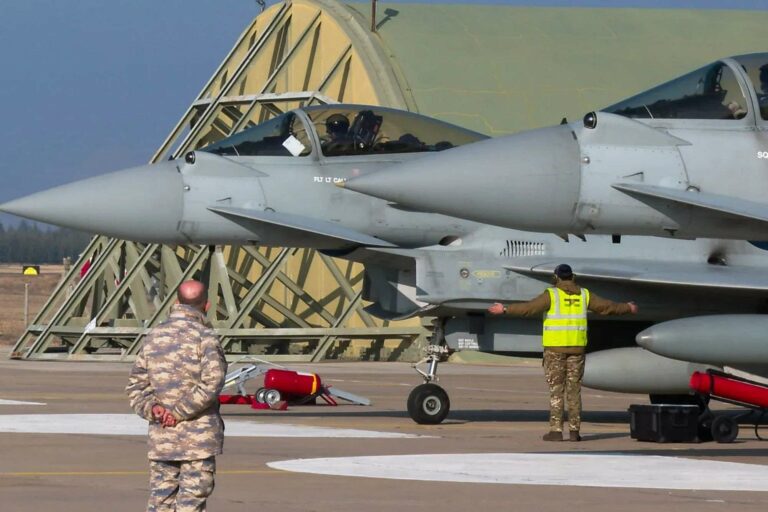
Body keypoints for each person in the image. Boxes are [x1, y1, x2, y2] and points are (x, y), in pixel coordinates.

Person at [487, 264, 638, 442]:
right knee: (574, 392)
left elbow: (528, 308)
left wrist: (504, 309)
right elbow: (607, 307)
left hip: (554, 351)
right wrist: (628, 308)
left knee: (556, 392)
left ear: (556, 277)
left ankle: (556, 432)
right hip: (577, 350)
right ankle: (575, 432)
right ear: (572, 277)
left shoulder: (551, 295)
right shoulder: (584, 294)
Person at [126, 280, 228, 511]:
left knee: (160, 501)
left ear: (175, 303)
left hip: (163, 436)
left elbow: (136, 386)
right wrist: (179, 412)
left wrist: (153, 409)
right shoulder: (206, 338)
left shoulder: (154, 337)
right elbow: (212, 383)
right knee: (191, 502)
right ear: (207, 305)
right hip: (197, 440)